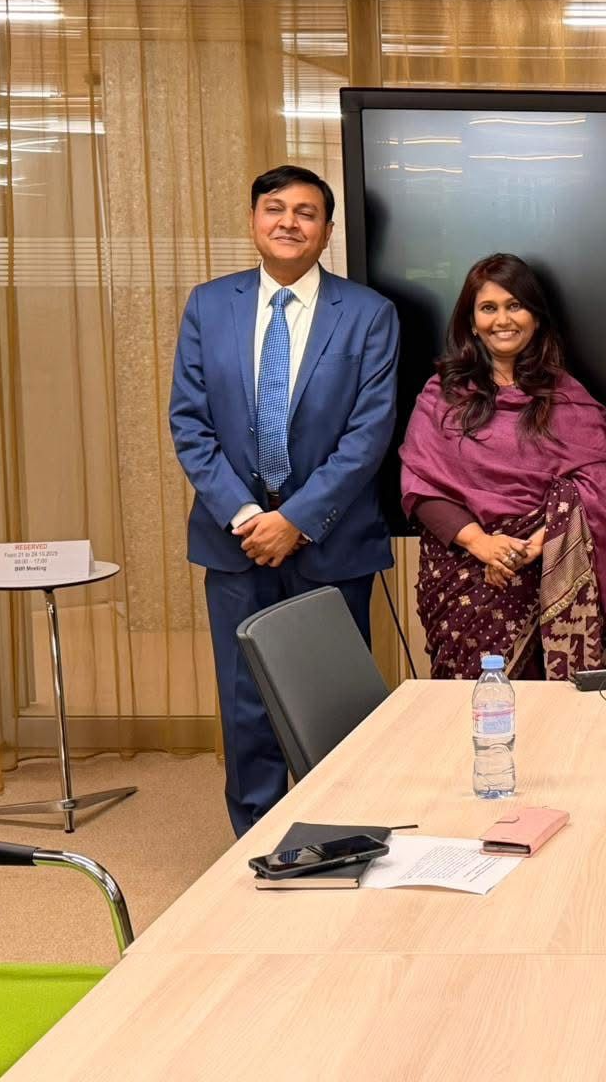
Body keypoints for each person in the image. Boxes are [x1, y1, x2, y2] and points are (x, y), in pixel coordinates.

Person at [170, 165, 398, 836]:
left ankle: (336, 836)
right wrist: (249, 519)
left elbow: (369, 432)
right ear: (252, 221)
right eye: (275, 208)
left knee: (332, 703)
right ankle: (257, 841)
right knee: (246, 707)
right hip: (236, 541)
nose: (289, 222)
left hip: (330, 538)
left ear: (327, 230)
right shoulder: (210, 305)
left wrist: (295, 520)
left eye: (306, 212)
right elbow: (190, 422)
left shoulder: (367, 314)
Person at [399, 253, 606, 680]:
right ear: (471, 322)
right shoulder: (442, 394)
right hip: (461, 576)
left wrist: (527, 549)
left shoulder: (568, 399)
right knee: (474, 711)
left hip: (545, 571)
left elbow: (597, 491)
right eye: (488, 308)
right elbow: (419, 485)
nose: (502, 320)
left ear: (536, 318)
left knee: (550, 719)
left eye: (515, 306)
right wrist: (480, 544)